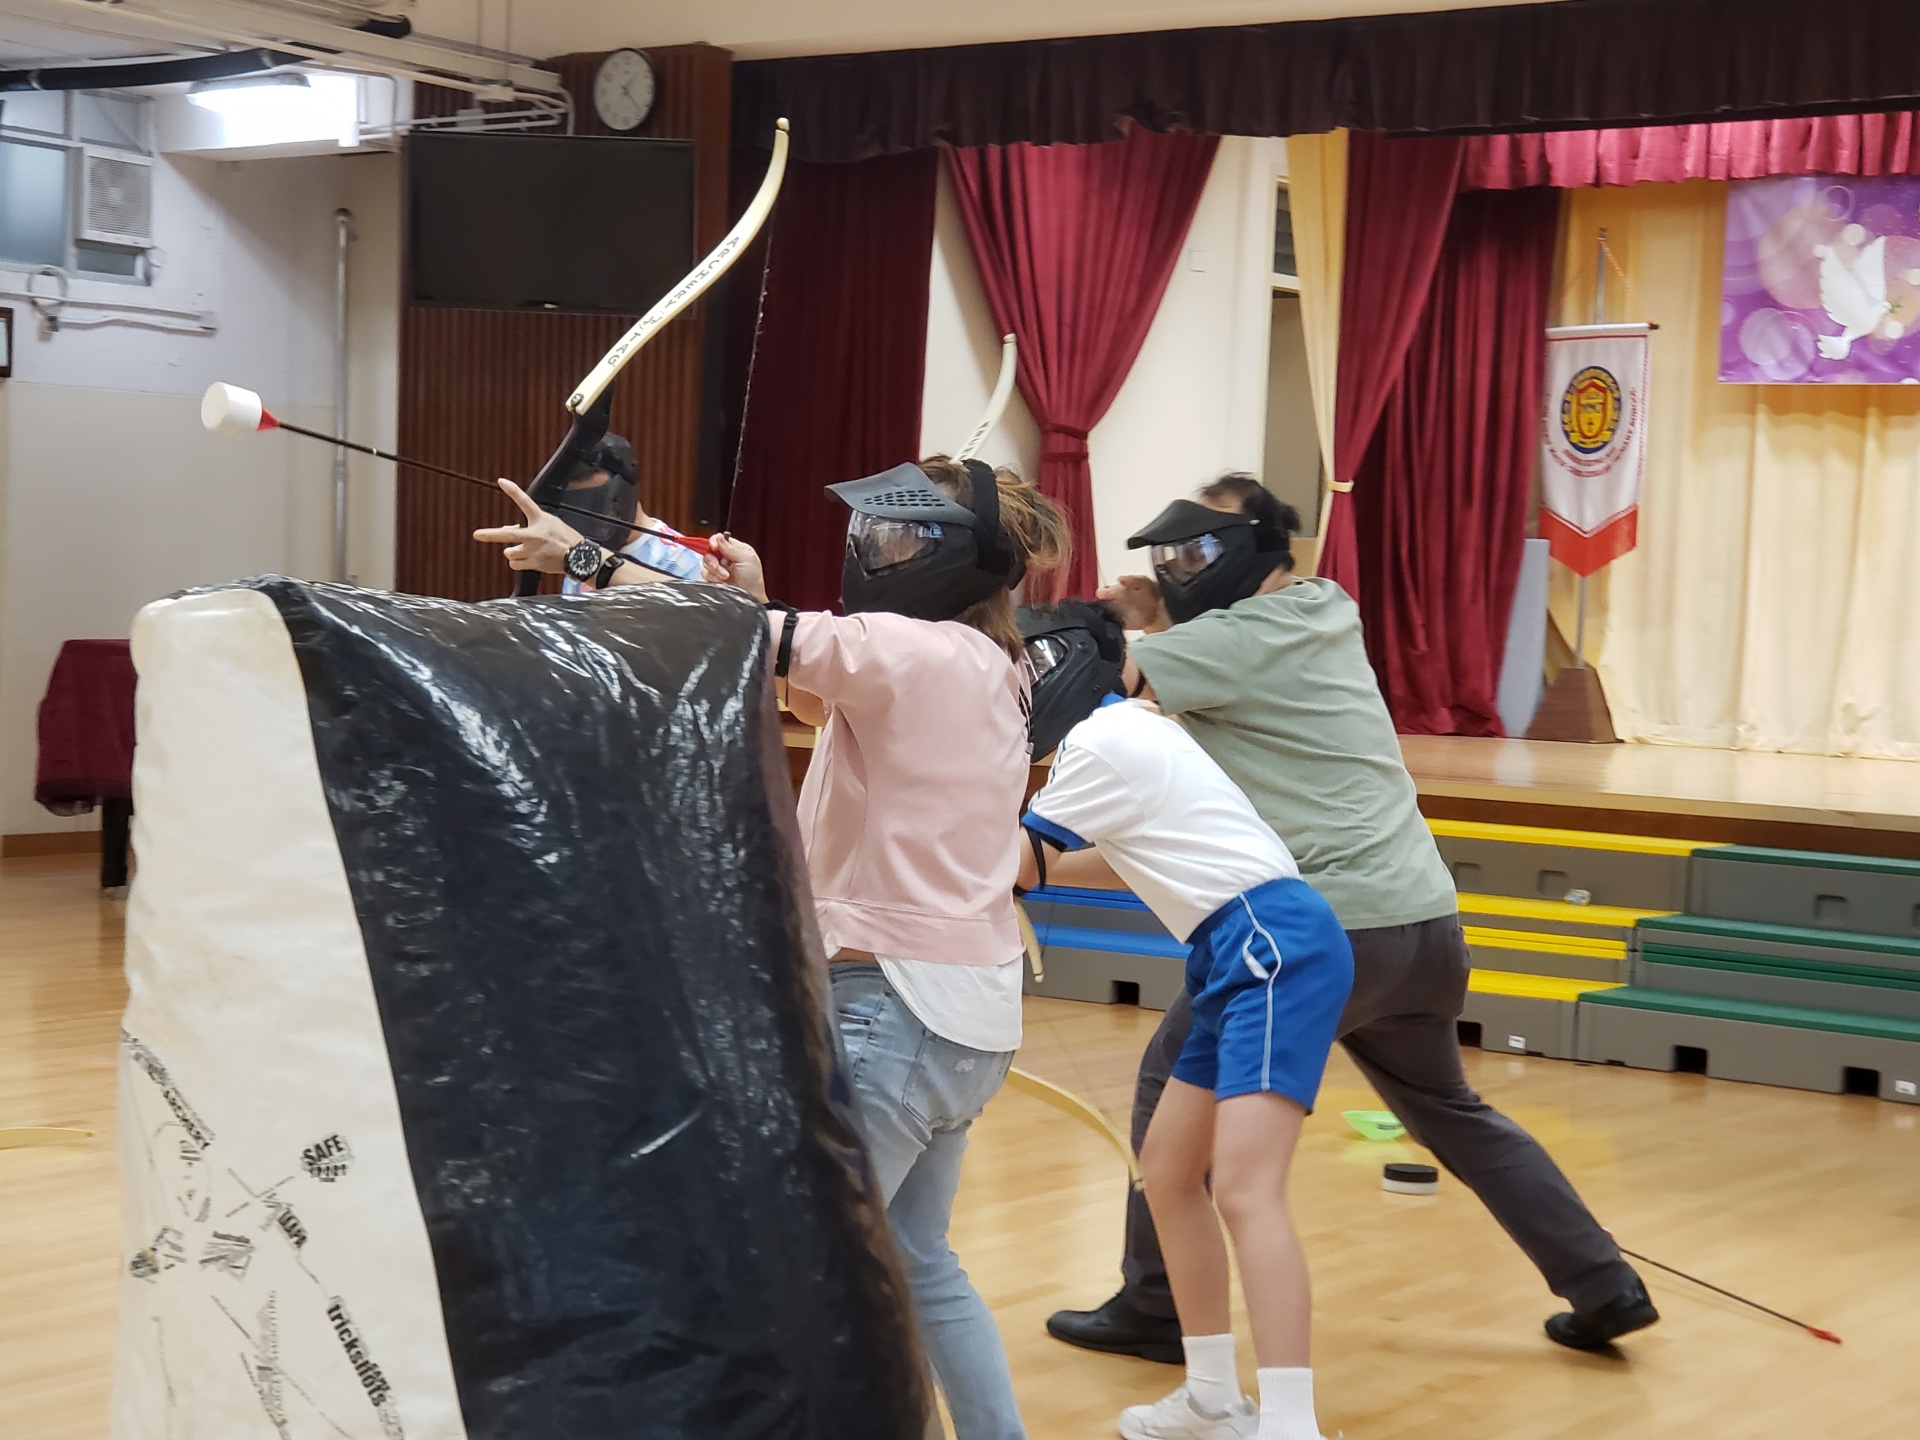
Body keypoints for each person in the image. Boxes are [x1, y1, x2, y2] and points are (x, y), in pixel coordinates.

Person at [477, 455, 1071, 1440]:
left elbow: (729, 638)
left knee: (804, 1274)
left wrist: (582, 554)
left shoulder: (911, 651)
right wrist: (755, 599)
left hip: (895, 1012)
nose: (875, 549)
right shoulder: (987, 666)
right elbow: (804, 689)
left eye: (900, 535)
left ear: (953, 557)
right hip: (966, 1021)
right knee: (917, 1261)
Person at [1044, 475, 1658, 1365]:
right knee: (1449, 1108)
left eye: (1196, 550)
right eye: (1172, 553)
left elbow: (1097, 671)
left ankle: (1155, 1303)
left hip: (1321, 932)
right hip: (1422, 923)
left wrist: (1097, 620)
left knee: (1169, 1090)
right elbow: (1200, 654)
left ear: (1251, 549)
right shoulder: (1324, 608)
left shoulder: (1236, 638)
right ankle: (1603, 1283)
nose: (1178, 567)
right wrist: (1161, 613)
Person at [1017, 602, 1352, 1440]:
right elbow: (1114, 861)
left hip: (1270, 944)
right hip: (1232, 949)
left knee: (1245, 1188)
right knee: (1169, 1171)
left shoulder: (1099, 743)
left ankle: (1291, 1427)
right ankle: (1210, 1398)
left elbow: (1017, 865)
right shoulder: (1131, 732)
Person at [554, 433, 707, 592]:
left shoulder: (684, 563)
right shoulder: (583, 554)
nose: (589, 526)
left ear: (622, 495)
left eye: (598, 507)